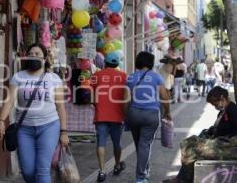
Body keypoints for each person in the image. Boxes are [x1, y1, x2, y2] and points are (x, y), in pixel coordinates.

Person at [0, 44, 69, 183]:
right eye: (31, 54)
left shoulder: (53, 78)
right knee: (28, 170)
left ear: (45, 58)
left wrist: (64, 132)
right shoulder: (18, 77)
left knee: (42, 169)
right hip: (24, 129)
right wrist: (0, 120)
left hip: (49, 127)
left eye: (37, 54)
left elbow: (60, 106)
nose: (33, 56)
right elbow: (10, 100)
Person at [163, 86, 237, 183]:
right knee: (189, 142)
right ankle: (182, 178)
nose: (215, 106)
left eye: (215, 104)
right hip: (220, 142)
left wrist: (220, 137)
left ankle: (182, 179)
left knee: (191, 149)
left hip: (228, 147)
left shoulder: (233, 110)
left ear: (222, 98)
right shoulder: (223, 111)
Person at [125, 52, 172, 183]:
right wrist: (168, 112)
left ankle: (144, 170)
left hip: (134, 114)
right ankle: (140, 177)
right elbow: (165, 97)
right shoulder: (156, 77)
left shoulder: (131, 77)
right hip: (150, 115)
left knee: (139, 144)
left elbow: (125, 100)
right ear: (150, 63)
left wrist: (126, 116)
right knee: (145, 144)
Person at [90, 52, 127, 182]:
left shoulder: (96, 75)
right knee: (117, 143)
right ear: (117, 63)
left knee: (101, 143)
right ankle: (117, 165)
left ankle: (102, 171)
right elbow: (127, 95)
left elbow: (89, 92)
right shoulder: (124, 76)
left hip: (101, 114)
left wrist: (95, 103)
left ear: (105, 63)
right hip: (117, 115)